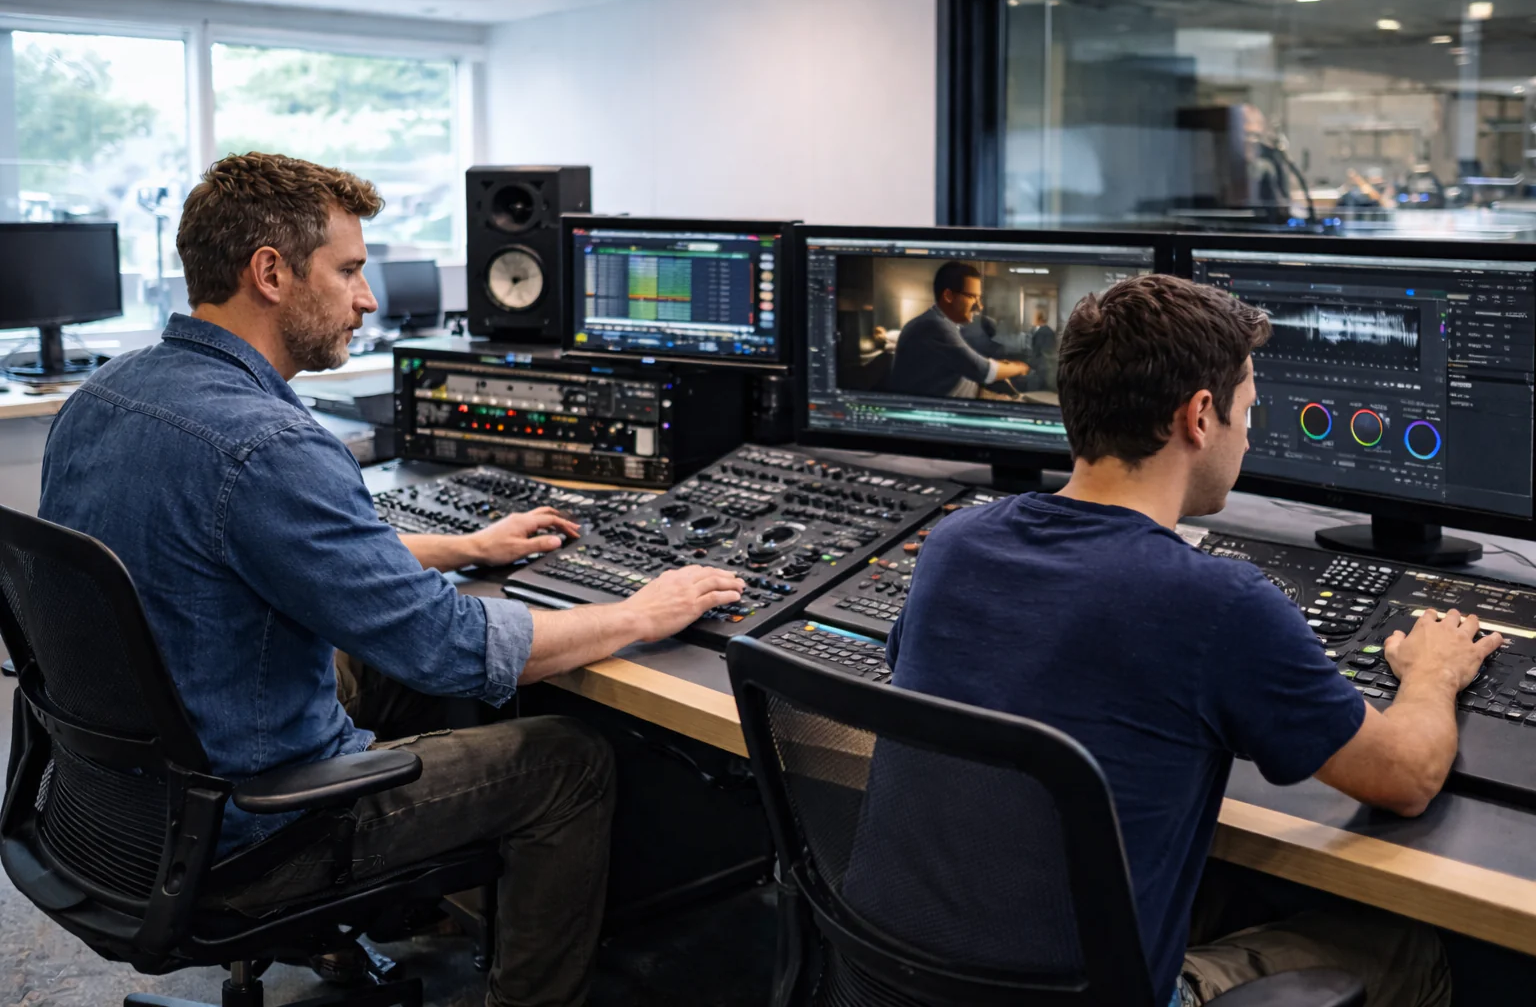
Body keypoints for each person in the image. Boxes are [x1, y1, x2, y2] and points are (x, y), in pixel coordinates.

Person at [37, 152, 746, 1007]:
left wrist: (462, 547)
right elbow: (452, 649)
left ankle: (427, 910)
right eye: (348, 271)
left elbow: (257, 548)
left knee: (376, 668)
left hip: (114, 802)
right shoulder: (271, 445)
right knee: (568, 759)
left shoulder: (106, 394)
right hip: (251, 825)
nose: (367, 298)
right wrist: (640, 612)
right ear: (270, 273)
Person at [872, 274, 1486, 1006]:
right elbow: (1408, 779)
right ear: (1200, 416)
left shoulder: (955, 544)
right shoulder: (1216, 602)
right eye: (1248, 410)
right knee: (1406, 946)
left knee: (1230, 891)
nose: (1249, 435)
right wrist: (1433, 673)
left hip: (901, 980)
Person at [885, 260, 1029, 398]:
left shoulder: (938, 322)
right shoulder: (935, 326)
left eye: (979, 299)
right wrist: (1019, 367)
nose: (979, 306)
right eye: (972, 297)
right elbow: (983, 371)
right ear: (948, 296)